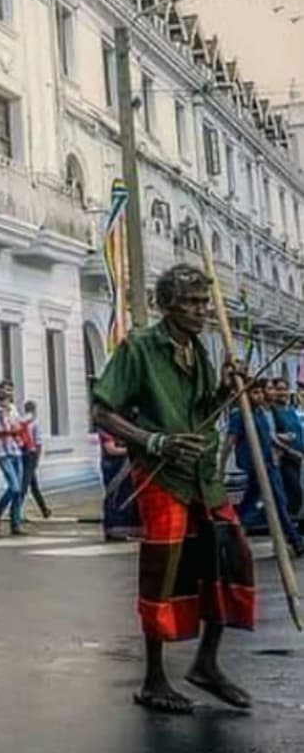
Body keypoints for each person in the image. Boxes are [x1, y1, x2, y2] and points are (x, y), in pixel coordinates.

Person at [92, 264, 255, 716]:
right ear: (167, 305)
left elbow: (202, 409)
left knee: (228, 560)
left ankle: (206, 664)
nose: (202, 310)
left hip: (203, 474)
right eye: (191, 302)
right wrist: (153, 440)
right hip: (163, 476)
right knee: (164, 571)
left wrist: (225, 389)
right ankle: (154, 678)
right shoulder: (140, 348)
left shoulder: (198, 351)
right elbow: (104, 412)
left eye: (204, 302)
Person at [228, 381, 303, 554]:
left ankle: (237, 527)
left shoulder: (260, 413)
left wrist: (289, 450)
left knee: (269, 501)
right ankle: (295, 539)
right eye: (255, 393)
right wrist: (221, 464)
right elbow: (231, 440)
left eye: (261, 392)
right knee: (271, 501)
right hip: (256, 464)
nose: (260, 396)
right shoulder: (240, 415)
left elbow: (270, 438)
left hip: (270, 463)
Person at [0, 379, 25, 537]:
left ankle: (16, 523)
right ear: (0, 390)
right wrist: (3, 417)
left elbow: (18, 426)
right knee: (14, 486)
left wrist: (14, 426)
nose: (7, 393)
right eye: (4, 389)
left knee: (18, 490)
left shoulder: (13, 408)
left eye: (10, 390)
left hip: (15, 450)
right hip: (2, 452)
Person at [268, 376, 304, 522]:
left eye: (284, 389)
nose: (282, 393)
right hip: (285, 458)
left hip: (298, 459)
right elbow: (270, 434)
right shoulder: (273, 411)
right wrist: (285, 440)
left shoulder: (290, 410)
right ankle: (288, 525)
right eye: (279, 389)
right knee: (295, 492)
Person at [98, 429, 142, 542]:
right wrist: (133, 450)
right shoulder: (106, 428)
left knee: (127, 495)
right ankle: (114, 529)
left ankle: (128, 528)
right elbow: (110, 449)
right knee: (116, 496)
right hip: (114, 466)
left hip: (125, 465)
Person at [19, 400, 51, 520]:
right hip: (31, 454)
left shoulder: (21, 421)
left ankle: (44, 510)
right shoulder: (35, 422)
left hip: (23, 453)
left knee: (33, 484)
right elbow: (38, 443)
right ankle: (17, 511)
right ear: (34, 410)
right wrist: (37, 458)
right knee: (25, 483)